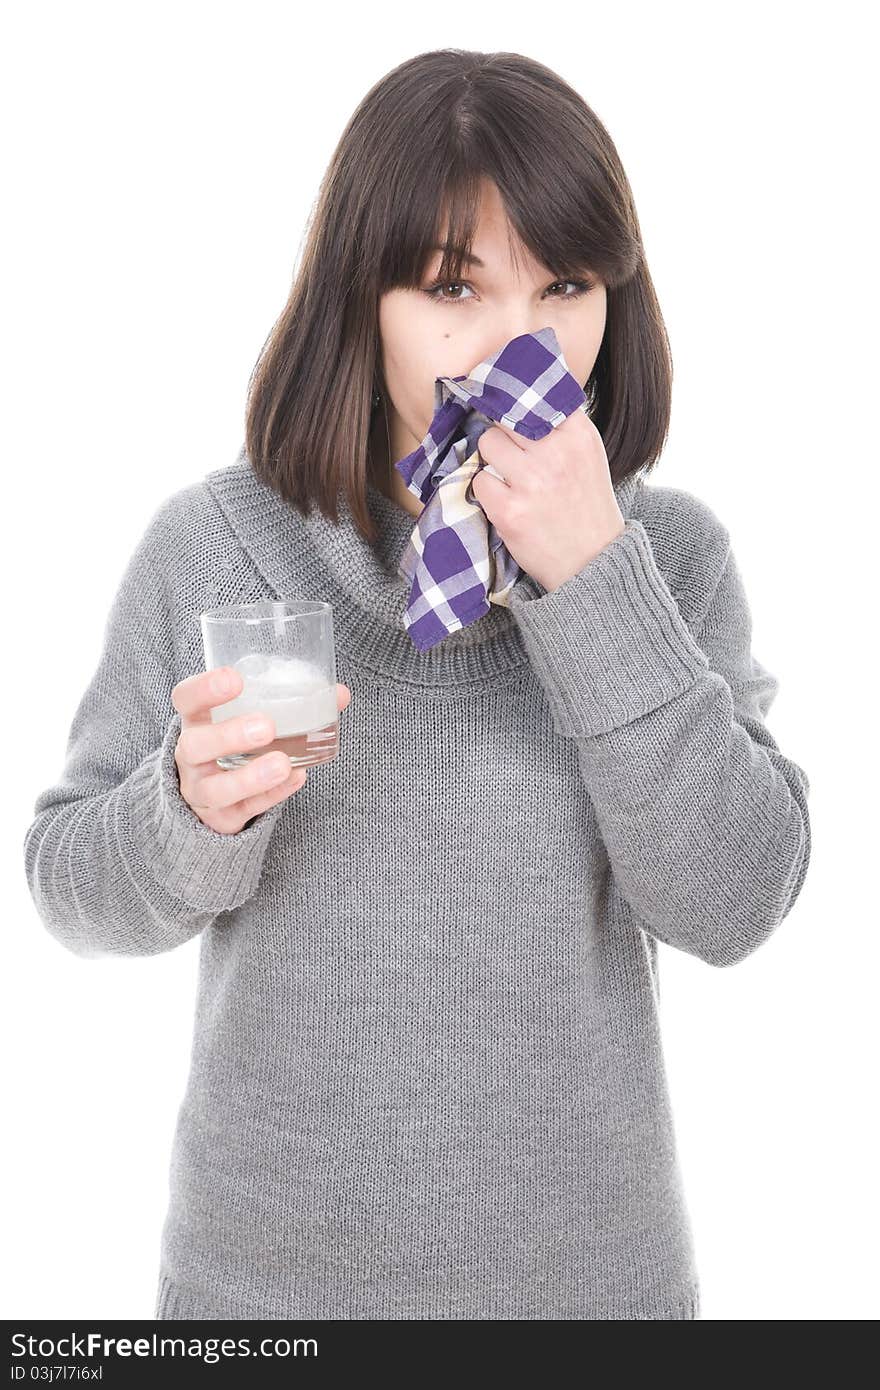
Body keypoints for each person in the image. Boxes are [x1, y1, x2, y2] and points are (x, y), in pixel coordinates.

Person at [23, 48, 811, 1321]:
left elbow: (734, 899)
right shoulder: (219, 544)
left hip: (592, 1297)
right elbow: (68, 884)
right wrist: (187, 812)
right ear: (363, 302)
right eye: (454, 284)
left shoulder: (669, 558)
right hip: (258, 1301)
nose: (521, 340)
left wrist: (595, 580)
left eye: (564, 283)